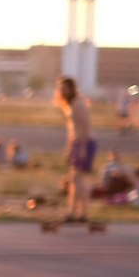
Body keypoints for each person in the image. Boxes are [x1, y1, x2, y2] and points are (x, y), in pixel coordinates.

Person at [54, 76, 96, 223]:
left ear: (72, 88)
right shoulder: (69, 104)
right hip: (77, 143)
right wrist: (69, 148)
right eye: (61, 88)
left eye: (65, 88)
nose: (63, 91)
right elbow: (72, 129)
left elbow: (86, 125)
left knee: (77, 179)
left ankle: (75, 213)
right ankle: (80, 213)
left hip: (85, 142)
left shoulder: (78, 104)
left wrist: (82, 147)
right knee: (76, 180)